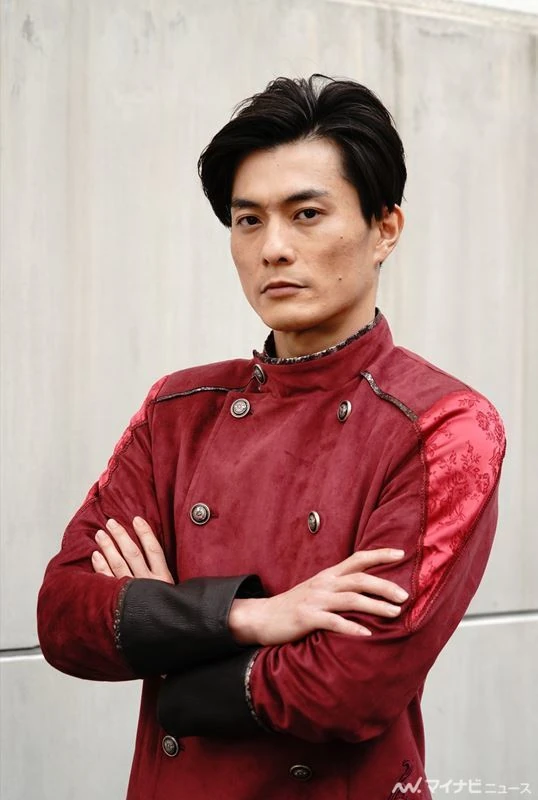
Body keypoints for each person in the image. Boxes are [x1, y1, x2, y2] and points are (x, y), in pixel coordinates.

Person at [37, 75, 506, 800]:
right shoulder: (178, 410)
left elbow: (348, 688)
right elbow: (64, 618)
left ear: (385, 229)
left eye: (306, 214)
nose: (273, 248)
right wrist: (250, 616)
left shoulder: (443, 426)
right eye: (248, 220)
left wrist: (171, 640)